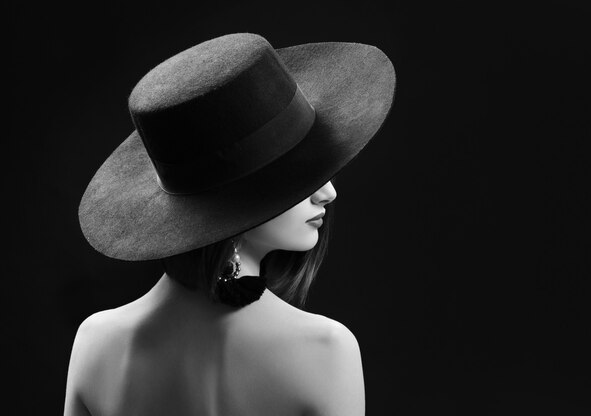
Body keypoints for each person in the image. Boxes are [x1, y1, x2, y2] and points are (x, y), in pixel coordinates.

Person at [65, 33, 395, 416]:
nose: (328, 193)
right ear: (234, 205)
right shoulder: (325, 349)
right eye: (299, 176)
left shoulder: (96, 342)